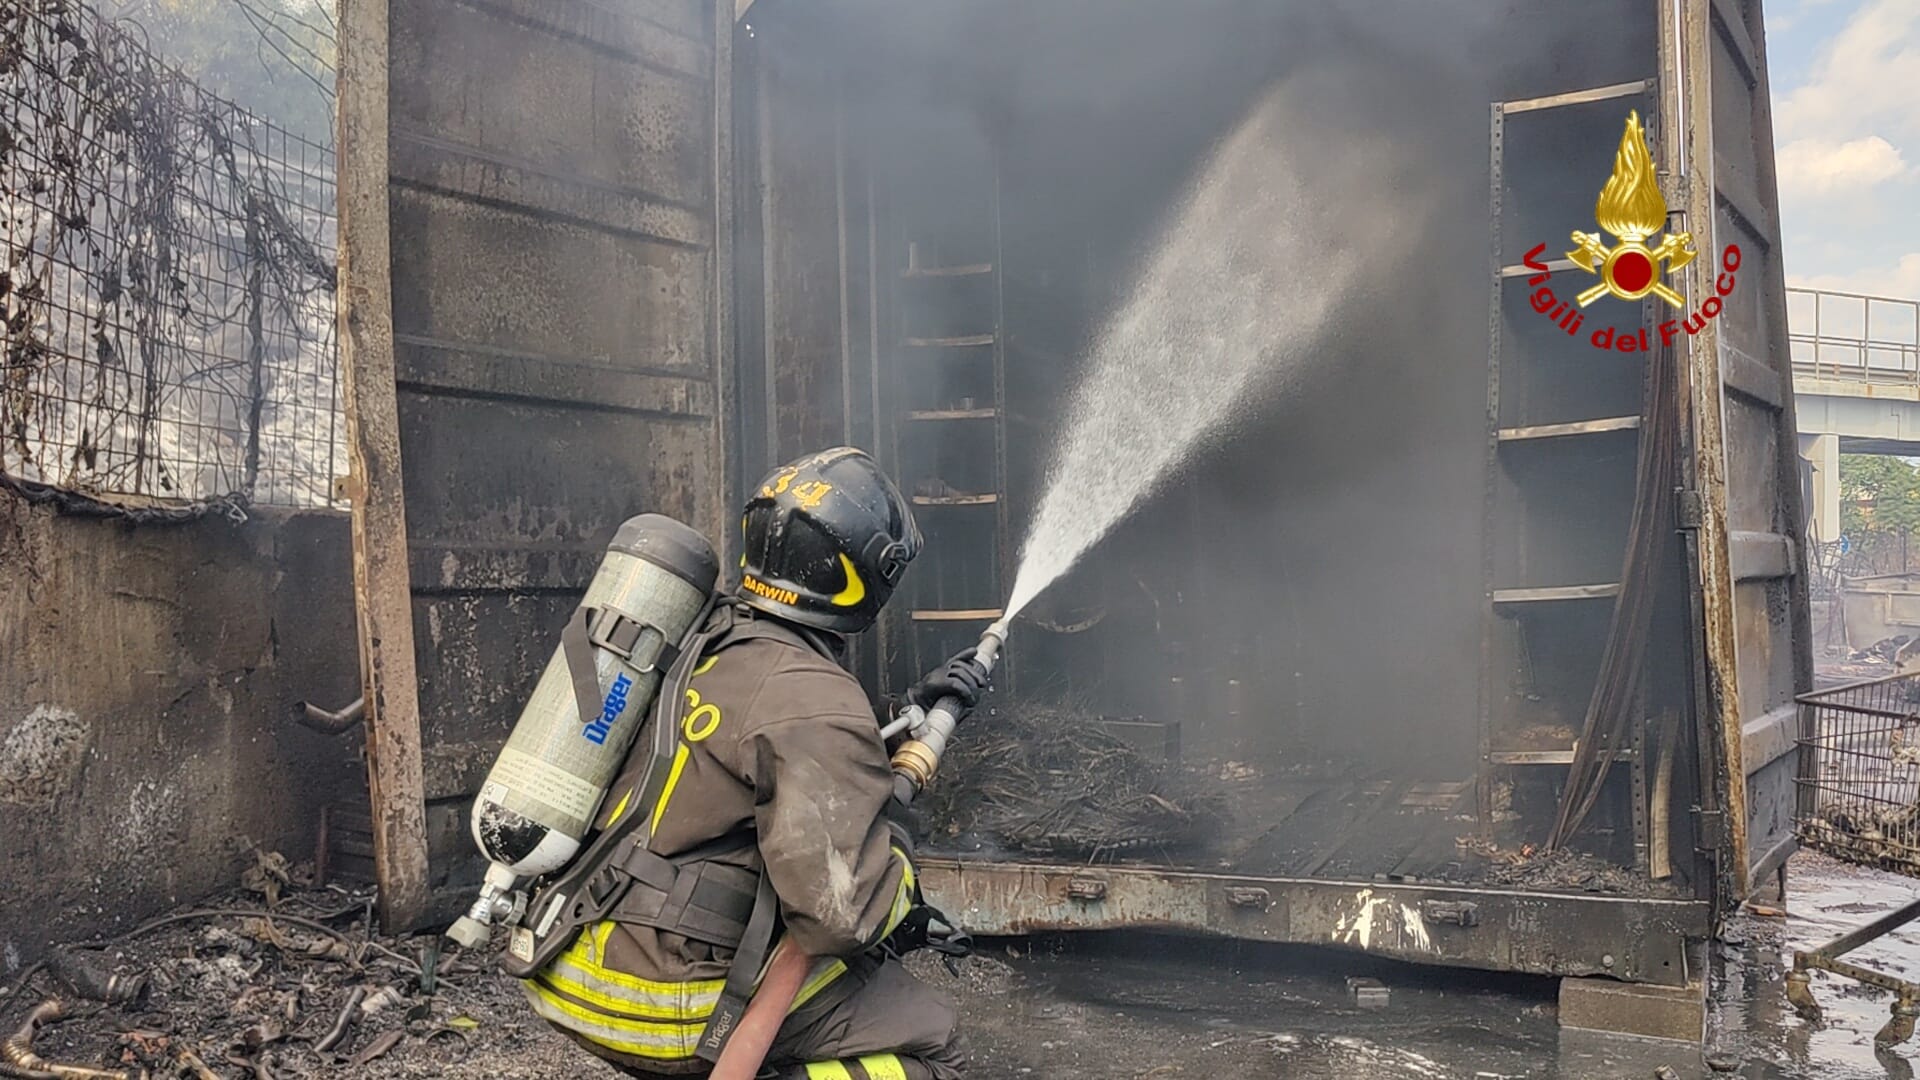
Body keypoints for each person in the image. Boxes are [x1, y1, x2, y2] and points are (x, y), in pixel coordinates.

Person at [522, 447, 991, 1080]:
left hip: (571, 947)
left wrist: (911, 710)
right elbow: (838, 917)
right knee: (935, 1049)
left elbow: (753, 756)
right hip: (662, 1001)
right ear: (865, 574)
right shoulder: (815, 696)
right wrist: (898, 860)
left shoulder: (698, 636)